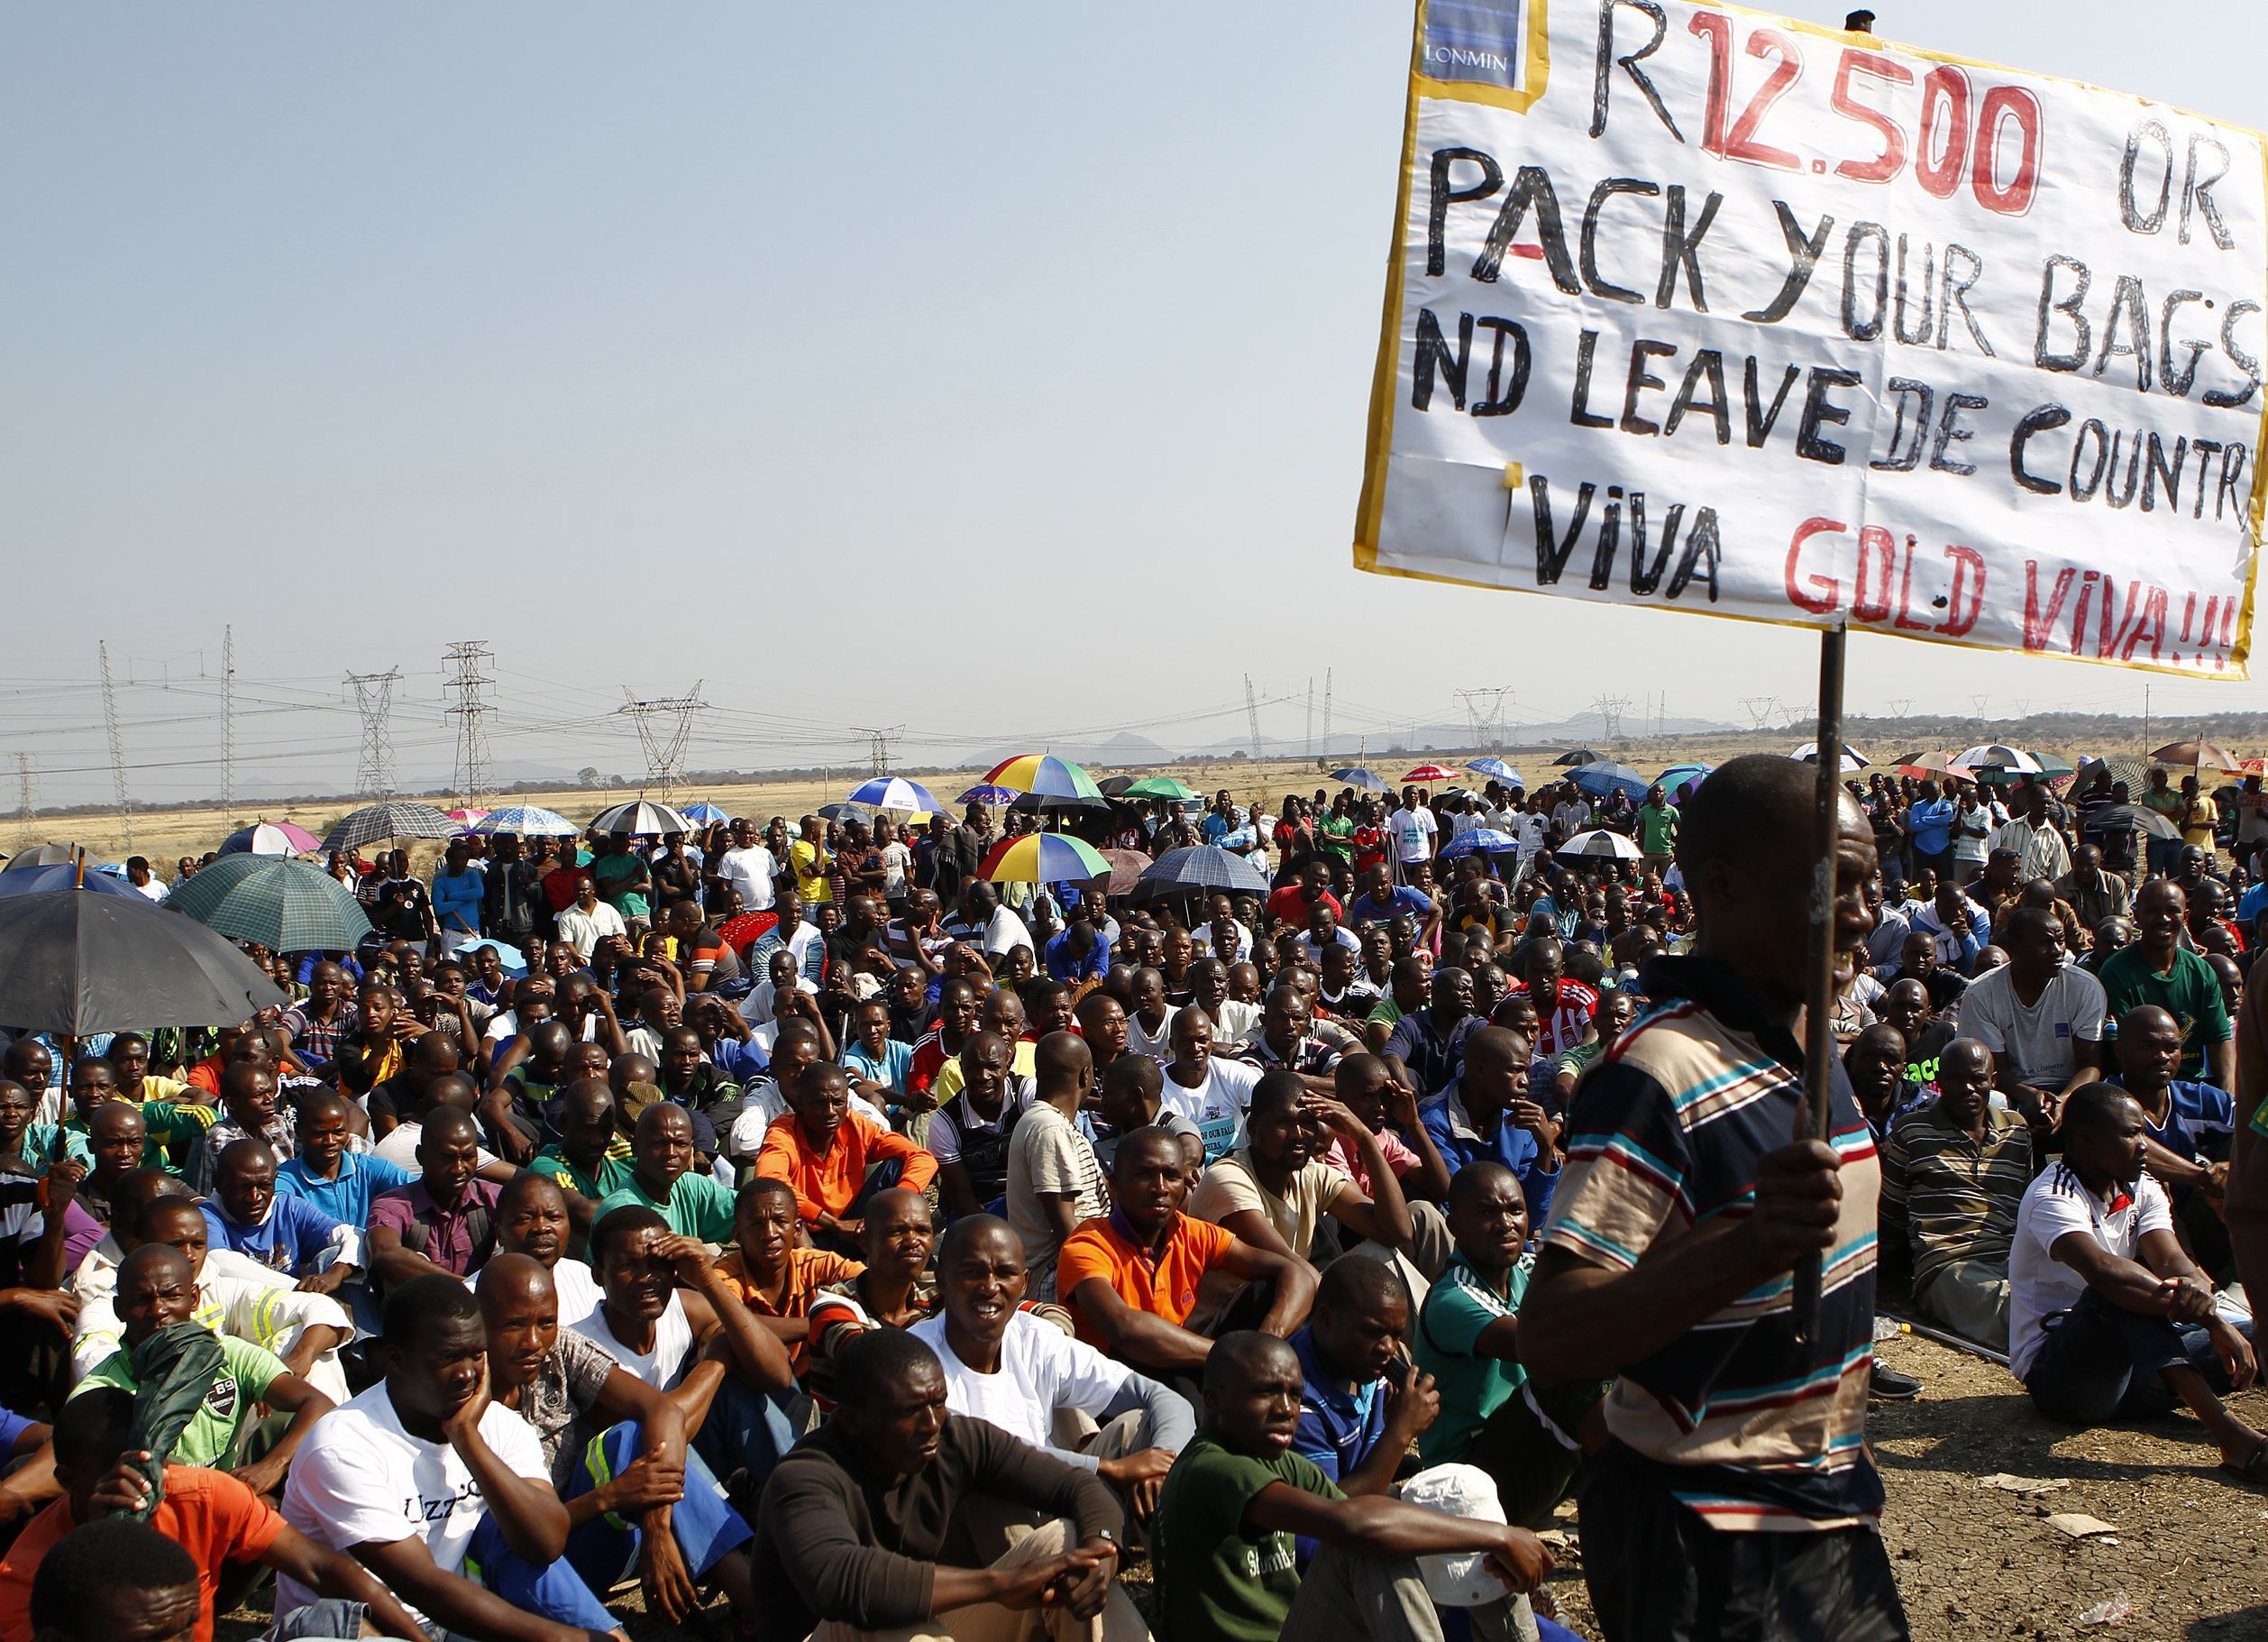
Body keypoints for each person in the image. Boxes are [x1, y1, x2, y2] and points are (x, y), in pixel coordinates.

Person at [1519, 756, 1907, 1641]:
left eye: (1870, 883)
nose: (1857, 915)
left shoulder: (1802, 1041)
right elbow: (1552, 1335)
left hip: (1824, 1506)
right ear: (1720, 889)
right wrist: (1745, 1243)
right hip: (1700, 1533)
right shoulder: (1657, 1075)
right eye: (1829, 886)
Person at [279, 1275, 626, 1642]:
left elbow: (546, 1541)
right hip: (362, 1624)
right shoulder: (343, 1444)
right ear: (395, 1359)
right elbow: (422, 1586)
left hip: (455, 1616)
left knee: (507, 1529)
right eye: (447, 1358)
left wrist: (467, 1440)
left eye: (476, 1354)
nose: (466, 1374)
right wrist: (566, 1640)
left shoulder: (497, 1426)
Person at [746, 1327, 1147, 1642]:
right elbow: (843, 1582)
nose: (931, 1425)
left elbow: (1076, 1485)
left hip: (926, 1624)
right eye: (909, 1412)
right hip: (841, 1631)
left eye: (937, 1402)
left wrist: (1104, 1549)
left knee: (1073, 1545)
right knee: (889, 1621)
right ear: (852, 1421)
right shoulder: (805, 1478)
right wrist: (998, 1584)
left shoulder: (954, 1438)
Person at [1152, 1330, 1550, 1642]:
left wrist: (1487, 1534)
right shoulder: (1212, 1468)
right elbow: (1352, 1524)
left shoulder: (1279, 1462)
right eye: (1265, 1393)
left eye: (1295, 1395)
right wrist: (1497, 1536)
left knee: (1453, 1495)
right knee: (1368, 1543)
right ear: (1213, 1401)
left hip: (1301, 1627)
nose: (1286, 1411)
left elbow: (1363, 1509)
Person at [0, 1390, 425, 1642]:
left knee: (334, 1625)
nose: (139, 1483)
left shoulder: (198, 1494)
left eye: (151, 1463)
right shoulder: (23, 1575)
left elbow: (320, 1566)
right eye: (115, 1471)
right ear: (68, 1479)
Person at [478, 1252, 758, 1625]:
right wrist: (611, 1495)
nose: (533, 1341)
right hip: (521, 1564)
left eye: (546, 1322)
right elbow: (513, 1534)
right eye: (514, 1325)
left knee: (630, 1437)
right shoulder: (463, 1398)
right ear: (478, 1321)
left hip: (583, 1543)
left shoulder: (559, 1348)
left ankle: (757, 1607)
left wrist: (658, 1529)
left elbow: (663, 1410)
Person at [2009, 1084, 2266, 1476]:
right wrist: (2212, 1322)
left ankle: (2190, 1384)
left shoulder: (2141, 1186)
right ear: (2086, 1139)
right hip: (2067, 1381)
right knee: (2118, 1290)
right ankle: (2234, 1440)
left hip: (2138, 1372)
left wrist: (2202, 1297)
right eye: (2130, 1134)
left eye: (2143, 1131)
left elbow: (2172, 1260)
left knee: (2257, 1335)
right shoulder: (2052, 1195)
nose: (2144, 1145)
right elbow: (2103, 1271)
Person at [910, 1216, 1193, 1536]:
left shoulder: (1033, 1336)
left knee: (1138, 1427)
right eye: (971, 1273)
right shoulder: (916, 1360)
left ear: (1024, 1282)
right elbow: (986, 1457)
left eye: (1005, 1273)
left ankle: (1177, 1576)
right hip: (979, 1527)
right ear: (943, 1279)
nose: (990, 1287)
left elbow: (1163, 1398)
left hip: (1055, 1495)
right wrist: (1106, 1468)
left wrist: (1162, 1463)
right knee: (989, 1488)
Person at [71, 1243, 332, 1498]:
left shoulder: (229, 1353)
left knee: (307, 1438)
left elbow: (320, 1404)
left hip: (230, 1497)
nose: (158, 1311)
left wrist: (273, 1465)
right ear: (119, 1309)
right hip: (160, 1511)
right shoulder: (101, 1391)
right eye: (141, 1300)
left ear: (193, 1298)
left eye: (171, 1295)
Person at [1056, 1128, 1315, 1377]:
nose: (1160, 1188)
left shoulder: (1192, 1232)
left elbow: (1295, 1273)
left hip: (1184, 1360)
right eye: (1144, 1174)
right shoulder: (1088, 1244)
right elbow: (1124, 1327)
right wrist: (1233, 1355)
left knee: (1267, 1291)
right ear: (1115, 1183)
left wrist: (1268, 1340)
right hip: (1115, 1380)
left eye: (1171, 1175)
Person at [1186, 1072, 1414, 1326]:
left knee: (1384, 1253)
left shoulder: (1312, 1175)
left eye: (1306, 1121)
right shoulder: (1227, 1177)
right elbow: (1287, 1263)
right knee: (1283, 1284)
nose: (1298, 1134)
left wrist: (1362, 1137)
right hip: (1225, 1324)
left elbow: (1397, 1231)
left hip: (1293, 1302)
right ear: (1253, 1128)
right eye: (1283, 1122)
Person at [1878, 1040, 2031, 1351]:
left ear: (1993, 1081)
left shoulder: (2016, 1132)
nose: (1968, 1088)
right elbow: (1888, 1215)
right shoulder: (1912, 1132)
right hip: (1949, 1262)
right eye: (1956, 1078)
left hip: (2013, 1257)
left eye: (1978, 1079)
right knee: (2016, 1313)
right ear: (1941, 1081)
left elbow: (2024, 1204)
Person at [1288, 1254, 1440, 1497]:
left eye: (1396, 1335)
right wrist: (1400, 1432)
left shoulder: (1364, 1365)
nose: (1388, 1348)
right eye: (1372, 1331)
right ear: (1326, 1319)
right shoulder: (1296, 1403)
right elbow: (1329, 1514)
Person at [756, 1064, 938, 1250]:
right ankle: (812, 1271)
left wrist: (892, 1207)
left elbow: (923, 1158)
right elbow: (769, 1184)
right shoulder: (783, 1132)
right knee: (779, 1207)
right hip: (805, 1232)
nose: (829, 1112)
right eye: (819, 1102)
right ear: (800, 1103)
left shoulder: (857, 1126)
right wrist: (835, 1225)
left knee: (897, 1165)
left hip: (855, 1226)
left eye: (838, 1102)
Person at [1957, 904, 2108, 1121]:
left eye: (2061, 940)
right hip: (2010, 1090)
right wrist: (2031, 1096)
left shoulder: (2085, 987)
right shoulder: (1981, 993)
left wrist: (2063, 1101)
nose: (2057, 950)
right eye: (2046, 942)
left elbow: (2090, 1066)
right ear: (2014, 947)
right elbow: (1995, 1071)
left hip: (2072, 1089)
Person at [2101, 880, 2237, 1091]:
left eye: (2173, 911)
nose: (2163, 919)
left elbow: (2219, 1039)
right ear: (2137, 916)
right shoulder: (2116, 972)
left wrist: (2229, 1097)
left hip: (2194, 1086)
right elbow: (2120, 1050)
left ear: (2186, 915)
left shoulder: (2201, 971)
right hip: (2141, 1089)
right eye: (2153, 911)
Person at [1419, 1027, 1562, 1223]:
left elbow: (1534, 1216)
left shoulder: (1522, 1124)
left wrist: (1545, 1149)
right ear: (1479, 1070)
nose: (1526, 1082)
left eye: (1526, 1071)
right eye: (1515, 1070)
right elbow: (1459, 1209)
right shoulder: (1434, 1123)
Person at [1009, 1033, 1111, 1301]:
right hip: (1056, 1270)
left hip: (1082, 1255)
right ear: (1085, 1076)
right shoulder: (1048, 1127)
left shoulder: (1056, 1123)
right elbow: (1065, 1224)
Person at [366, 1109, 502, 1286]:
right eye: (447, 1158)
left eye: (468, 1157)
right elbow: (385, 1253)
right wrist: (466, 1287)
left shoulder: (493, 1198)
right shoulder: (393, 1205)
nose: (459, 1169)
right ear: (421, 1156)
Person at [592, 1102, 735, 1243]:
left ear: (691, 1148)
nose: (671, 1153)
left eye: (681, 1144)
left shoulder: (690, 1185)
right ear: (635, 1147)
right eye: (659, 1143)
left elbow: (747, 1209)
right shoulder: (623, 1211)